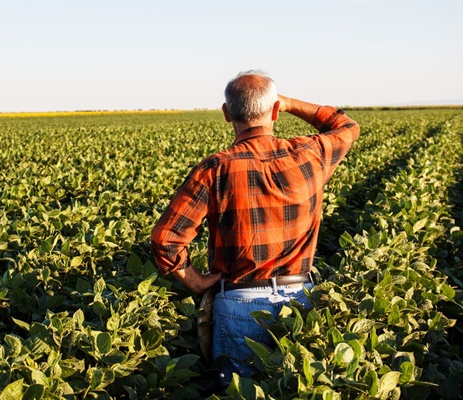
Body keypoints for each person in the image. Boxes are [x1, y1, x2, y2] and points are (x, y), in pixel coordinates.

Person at [150, 70, 360, 385]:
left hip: (238, 303)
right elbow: (346, 126)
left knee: (240, 391)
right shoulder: (309, 154)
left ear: (226, 113)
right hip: (300, 301)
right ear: (275, 111)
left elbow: (166, 240)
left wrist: (194, 281)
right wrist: (289, 103)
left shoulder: (214, 169)